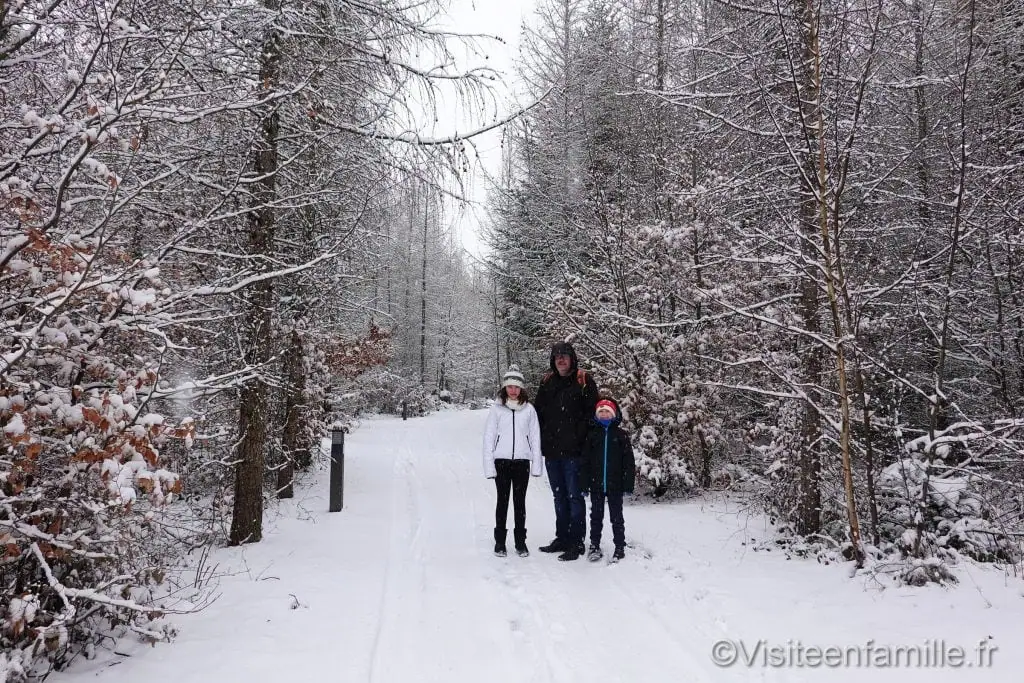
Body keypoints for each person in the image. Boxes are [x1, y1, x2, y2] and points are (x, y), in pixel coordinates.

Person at [533, 341, 599, 561]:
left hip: (574, 452)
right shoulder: (547, 382)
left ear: (572, 358)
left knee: (574, 497)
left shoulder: (583, 381)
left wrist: (583, 441)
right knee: (559, 496)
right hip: (552, 451)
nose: (560, 359)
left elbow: (593, 414)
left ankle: (576, 541)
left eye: (564, 355)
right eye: (556, 355)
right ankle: (562, 537)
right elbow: (537, 414)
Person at [482, 365, 543, 557]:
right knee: (502, 501)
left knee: (520, 503)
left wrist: (536, 463)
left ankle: (520, 542)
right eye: (510, 387)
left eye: (516, 387)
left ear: (521, 388)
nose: (513, 390)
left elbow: (535, 437)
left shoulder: (529, 410)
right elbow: (489, 438)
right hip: (502, 462)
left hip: (521, 463)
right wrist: (489, 466)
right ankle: (500, 542)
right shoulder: (497, 410)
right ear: (505, 388)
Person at [582, 397, 635, 562]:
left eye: (607, 411)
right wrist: (584, 484)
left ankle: (619, 546)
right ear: (597, 415)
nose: (604, 414)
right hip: (596, 484)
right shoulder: (592, 436)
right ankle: (594, 545)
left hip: (615, 485)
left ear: (613, 414)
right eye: (601, 411)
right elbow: (585, 462)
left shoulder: (621, 435)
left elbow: (628, 462)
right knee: (596, 517)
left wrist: (627, 484)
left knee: (616, 517)